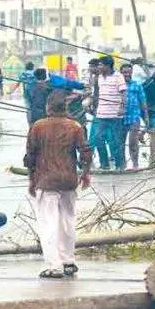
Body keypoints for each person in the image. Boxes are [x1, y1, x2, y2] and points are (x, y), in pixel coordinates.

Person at [24, 90, 93, 278]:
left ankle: (54, 266)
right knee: (67, 221)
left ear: (48, 107)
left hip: (46, 181)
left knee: (48, 224)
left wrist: (31, 180)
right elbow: (85, 152)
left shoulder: (38, 127)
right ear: (65, 108)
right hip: (69, 180)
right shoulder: (75, 126)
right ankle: (68, 261)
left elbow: (30, 157)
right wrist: (86, 173)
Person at [90, 56, 126, 171]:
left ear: (108, 66)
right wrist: (93, 107)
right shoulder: (99, 78)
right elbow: (97, 94)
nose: (99, 67)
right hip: (101, 114)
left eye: (101, 65)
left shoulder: (118, 76)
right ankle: (104, 164)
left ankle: (120, 165)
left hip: (115, 115)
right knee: (98, 138)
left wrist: (122, 107)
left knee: (115, 141)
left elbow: (124, 93)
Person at [120, 63, 148, 169]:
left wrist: (146, 117)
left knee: (133, 142)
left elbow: (143, 101)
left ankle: (135, 165)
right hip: (120, 118)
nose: (127, 74)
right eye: (124, 72)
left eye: (129, 72)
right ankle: (122, 165)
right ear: (121, 73)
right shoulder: (117, 85)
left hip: (134, 117)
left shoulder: (137, 85)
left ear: (131, 73)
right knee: (120, 143)